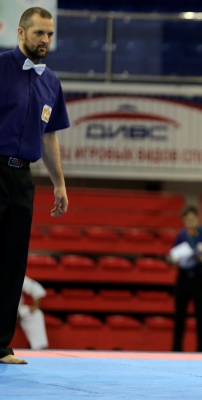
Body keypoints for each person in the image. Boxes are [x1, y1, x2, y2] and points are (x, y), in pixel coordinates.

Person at [0, 7, 69, 365]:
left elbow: (49, 137)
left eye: (50, 34)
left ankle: (0, 346)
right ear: (21, 33)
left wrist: (59, 184)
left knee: (13, 265)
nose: (45, 40)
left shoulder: (51, 82)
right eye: (39, 32)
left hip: (23, 179)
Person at [169, 206, 202, 352]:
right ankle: (176, 350)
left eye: (192, 219)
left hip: (199, 279)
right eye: (187, 220)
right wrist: (175, 260)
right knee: (179, 316)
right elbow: (173, 255)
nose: (189, 222)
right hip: (183, 278)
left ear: (197, 218)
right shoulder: (182, 235)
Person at [18, 276, 49, 350]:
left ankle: (39, 348)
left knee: (36, 314)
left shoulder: (12, 276)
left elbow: (36, 288)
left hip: (15, 311)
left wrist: (36, 305)